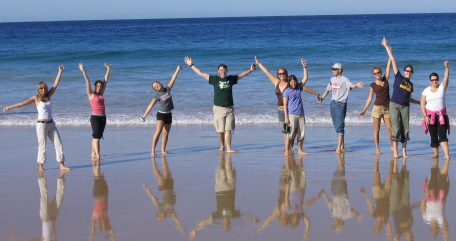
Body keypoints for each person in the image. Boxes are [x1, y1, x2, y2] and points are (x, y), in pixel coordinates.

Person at [3, 66, 70, 171]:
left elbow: (56, 84)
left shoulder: (49, 96)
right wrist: (9, 107)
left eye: (45, 87)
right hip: (41, 125)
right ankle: (41, 167)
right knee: (42, 146)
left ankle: (62, 165)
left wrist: (60, 71)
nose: (44, 89)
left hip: (51, 124)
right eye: (41, 88)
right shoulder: (35, 98)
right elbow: (22, 103)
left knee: (58, 144)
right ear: (38, 89)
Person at [184, 56, 256, 152]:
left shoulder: (231, 79)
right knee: (220, 130)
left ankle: (229, 148)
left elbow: (241, 75)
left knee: (228, 129)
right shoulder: (215, 80)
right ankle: (222, 146)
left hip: (229, 108)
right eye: (221, 70)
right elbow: (201, 74)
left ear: (227, 71)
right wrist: (191, 65)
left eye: (224, 70)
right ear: (218, 71)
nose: (223, 71)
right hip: (218, 108)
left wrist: (250, 70)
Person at [381, 37, 420, 158]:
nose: (408, 72)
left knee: (405, 128)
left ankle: (404, 152)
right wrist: (387, 47)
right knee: (396, 128)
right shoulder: (398, 77)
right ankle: (396, 152)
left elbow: (409, 98)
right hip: (394, 105)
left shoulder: (411, 85)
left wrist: (420, 103)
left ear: (412, 73)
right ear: (404, 71)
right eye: (407, 71)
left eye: (410, 71)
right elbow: (392, 60)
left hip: (405, 107)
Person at [319, 63, 364, 153]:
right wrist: (322, 99)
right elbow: (328, 89)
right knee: (336, 125)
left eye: (334, 69)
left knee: (339, 125)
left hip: (341, 104)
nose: (333, 70)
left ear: (340, 70)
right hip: (333, 104)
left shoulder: (344, 79)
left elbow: (350, 85)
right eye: (332, 69)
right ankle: (342, 146)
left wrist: (356, 85)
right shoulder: (332, 79)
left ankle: (339, 148)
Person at [141, 65, 183, 157]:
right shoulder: (157, 95)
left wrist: (177, 69)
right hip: (161, 115)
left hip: (169, 114)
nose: (157, 86)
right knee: (158, 131)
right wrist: (144, 115)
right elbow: (150, 106)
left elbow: (173, 79)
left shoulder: (167, 89)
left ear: (160, 83)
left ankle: (163, 150)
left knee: (166, 133)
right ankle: (152, 151)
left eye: (157, 84)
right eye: (155, 87)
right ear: (155, 89)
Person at [254, 56, 292, 151]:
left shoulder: (291, 83)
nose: (281, 75)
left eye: (283, 73)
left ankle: (290, 146)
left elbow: (301, 87)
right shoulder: (276, 82)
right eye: (279, 74)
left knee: (291, 129)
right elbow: (267, 72)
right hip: (280, 109)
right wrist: (258, 63)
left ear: (286, 74)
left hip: (290, 109)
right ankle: (287, 147)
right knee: (284, 130)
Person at [359, 57, 393, 154]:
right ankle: (377, 149)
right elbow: (370, 98)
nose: (377, 74)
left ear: (381, 73)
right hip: (377, 109)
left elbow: (388, 68)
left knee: (390, 129)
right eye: (375, 73)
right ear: (373, 75)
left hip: (387, 108)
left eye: (378, 73)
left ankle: (392, 146)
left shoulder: (385, 80)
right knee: (377, 130)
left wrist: (390, 57)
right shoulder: (372, 85)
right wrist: (364, 110)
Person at [79, 63, 112, 162]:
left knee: (96, 136)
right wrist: (83, 70)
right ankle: (97, 156)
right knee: (97, 138)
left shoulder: (101, 94)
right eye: (97, 86)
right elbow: (87, 81)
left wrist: (108, 69)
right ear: (94, 86)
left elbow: (105, 81)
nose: (99, 88)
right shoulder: (91, 94)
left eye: (100, 86)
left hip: (103, 117)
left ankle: (93, 153)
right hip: (95, 117)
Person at [283, 74, 320, 155]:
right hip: (291, 115)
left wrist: (315, 93)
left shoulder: (298, 88)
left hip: (301, 114)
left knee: (301, 133)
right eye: (292, 82)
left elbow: (306, 87)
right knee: (290, 133)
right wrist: (286, 117)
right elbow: (285, 105)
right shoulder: (286, 91)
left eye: (295, 82)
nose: (293, 83)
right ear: (289, 82)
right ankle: (286, 150)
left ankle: (300, 150)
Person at [420, 61, 450, 159]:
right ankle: (436, 154)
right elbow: (422, 104)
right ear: (430, 81)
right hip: (430, 116)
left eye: (436, 80)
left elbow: (446, 78)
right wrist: (425, 116)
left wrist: (447, 68)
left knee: (442, 135)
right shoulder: (426, 90)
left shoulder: (442, 87)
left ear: (438, 80)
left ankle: (446, 155)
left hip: (442, 115)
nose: (434, 81)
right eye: (432, 80)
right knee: (433, 135)